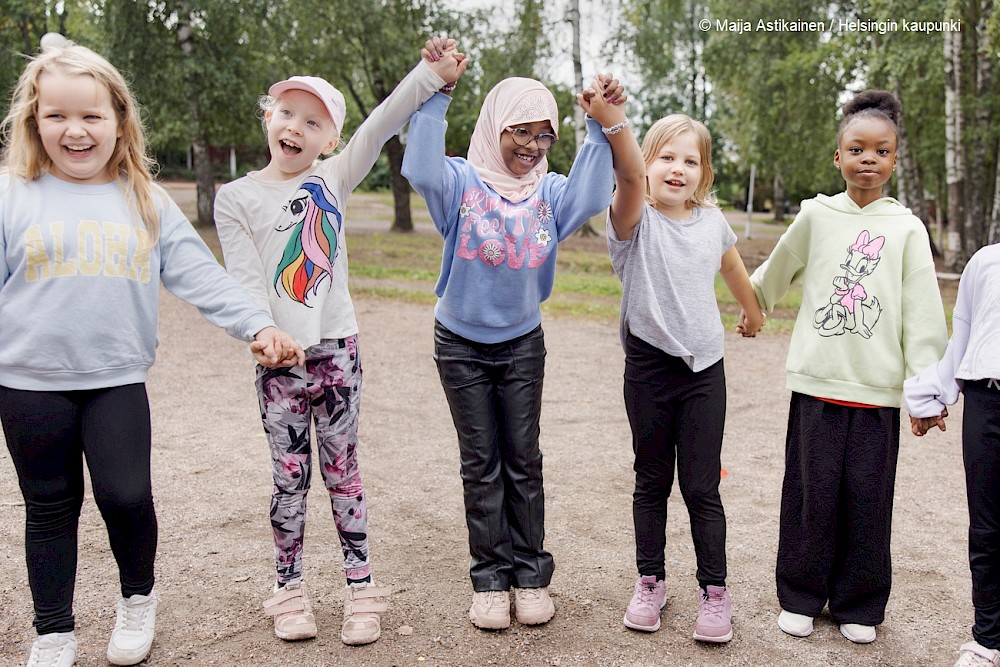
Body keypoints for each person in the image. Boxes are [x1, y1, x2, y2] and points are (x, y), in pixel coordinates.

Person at [0, 36, 304, 667]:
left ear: (119, 121)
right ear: (34, 119)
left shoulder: (144, 199)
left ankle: (138, 599)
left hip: (115, 381)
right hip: (27, 383)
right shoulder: (11, 194)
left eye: (91, 116)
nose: (75, 130)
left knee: (126, 496)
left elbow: (203, 277)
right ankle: (53, 630)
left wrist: (257, 325)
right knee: (49, 507)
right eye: (57, 115)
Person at [213, 37, 466, 647]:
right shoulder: (236, 197)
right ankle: (289, 588)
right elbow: (245, 283)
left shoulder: (333, 178)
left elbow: (382, 122)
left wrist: (432, 75)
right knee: (289, 478)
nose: (296, 127)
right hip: (278, 362)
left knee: (343, 471)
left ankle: (360, 587)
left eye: (313, 120)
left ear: (329, 139)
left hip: (337, 353)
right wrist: (261, 334)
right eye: (286, 113)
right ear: (268, 118)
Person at [400, 72, 626, 631]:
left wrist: (599, 129)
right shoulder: (460, 183)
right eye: (519, 132)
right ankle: (489, 579)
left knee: (523, 460)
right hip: (460, 343)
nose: (531, 146)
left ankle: (530, 577)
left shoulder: (549, 195)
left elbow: (595, 194)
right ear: (495, 126)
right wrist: (437, 98)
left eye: (544, 135)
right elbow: (417, 167)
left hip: (523, 342)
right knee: (481, 463)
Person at [748, 89, 948, 644]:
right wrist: (750, 305)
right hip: (816, 385)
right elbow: (775, 271)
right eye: (856, 149)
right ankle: (801, 597)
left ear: (894, 160)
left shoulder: (907, 229)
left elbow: (924, 316)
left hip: (877, 395)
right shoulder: (817, 216)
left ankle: (859, 603)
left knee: (867, 500)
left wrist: (925, 394)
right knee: (811, 496)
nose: (868, 159)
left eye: (880, 151)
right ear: (838, 156)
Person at [598, 105, 764, 642]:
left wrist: (753, 309)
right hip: (647, 370)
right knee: (651, 480)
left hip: (703, 373)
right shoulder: (632, 219)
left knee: (700, 486)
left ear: (704, 173)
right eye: (665, 157)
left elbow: (733, 268)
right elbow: (626, 181)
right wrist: (613, 122)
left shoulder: (712, 222)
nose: (677, 168)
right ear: (645, 164)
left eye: (690, 161)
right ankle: (651, 582)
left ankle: (715, 592)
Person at [904, 243, 1000, 667]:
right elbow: (963, 335)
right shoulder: (986, 261)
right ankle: (987, 639)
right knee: (987, 529)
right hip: (988, 398)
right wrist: (931, 396)